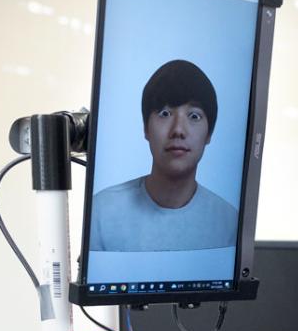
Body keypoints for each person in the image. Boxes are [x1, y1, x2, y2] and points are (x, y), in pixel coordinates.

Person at [90, 59, 238, 252]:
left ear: (209, 133)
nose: (178, 130)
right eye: (165, 113)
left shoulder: (228, 222)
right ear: (146, 128)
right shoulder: (102, 211)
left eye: (194, 116)